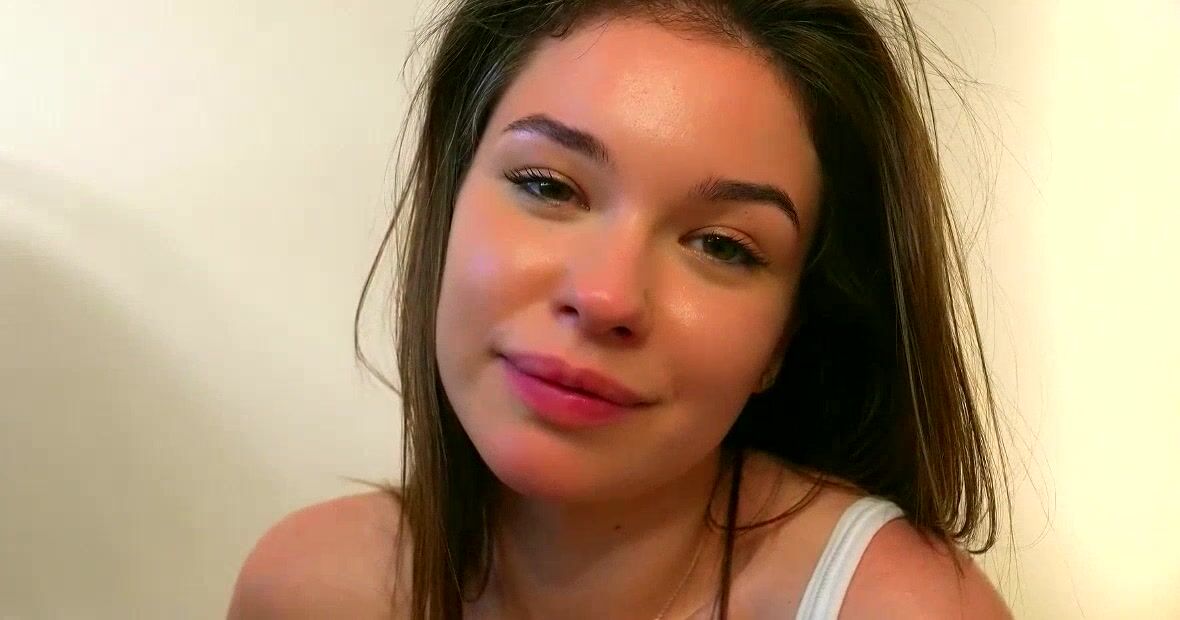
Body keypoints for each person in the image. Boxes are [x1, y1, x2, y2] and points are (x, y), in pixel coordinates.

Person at [229, 0, 1012, 618]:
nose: (606, 296)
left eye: (722, 246)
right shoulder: (306, 590)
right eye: (548, 186)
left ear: (787, 335)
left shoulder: (900, 608)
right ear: (449, 200)